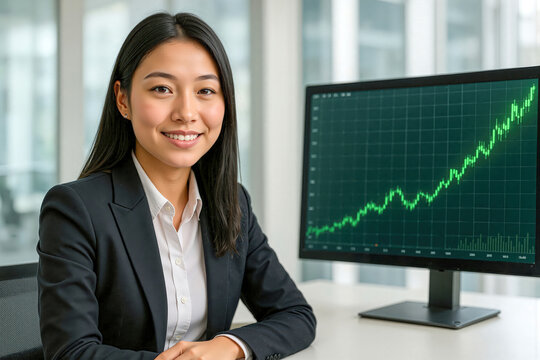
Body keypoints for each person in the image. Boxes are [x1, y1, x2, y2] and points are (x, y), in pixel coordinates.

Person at [37, 12, 316, 360]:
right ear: (123, 100)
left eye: (205, 91)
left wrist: (228, 346)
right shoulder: (76, 209)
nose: (187, 111)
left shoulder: (232, 204)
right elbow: (71, 353)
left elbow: (296, 315)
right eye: (162, 89)